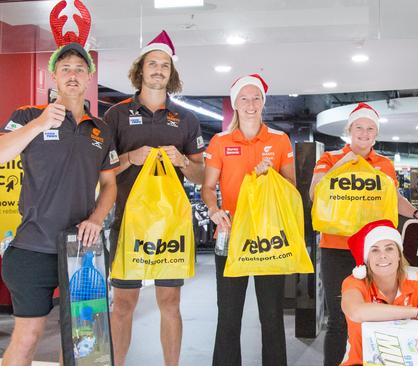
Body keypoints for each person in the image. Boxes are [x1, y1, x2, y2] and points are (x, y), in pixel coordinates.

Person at [0, 21, 118, 365]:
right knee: (28, 337)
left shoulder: (101, 130)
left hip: (83, 252)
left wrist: (97, 218)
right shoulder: (27, 115)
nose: (72, 74)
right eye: (65, 68)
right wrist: (39, 124)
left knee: (85, 343)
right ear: (53, 76)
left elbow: (109, 184)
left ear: (88, 78)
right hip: (32, 248)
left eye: (80, 68)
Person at [104, 31, 205, 366]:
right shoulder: (116, 116)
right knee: (123, 305)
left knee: (170, 303)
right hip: (128, 223)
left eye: (165, 65)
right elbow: (100, 173)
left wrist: (183, 162)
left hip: (170, 226)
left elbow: (202, 176)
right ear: (141, 70)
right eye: (153, 64)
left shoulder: (186, 120)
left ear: (171, 74)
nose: (159, 70)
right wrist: (130, 158)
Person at [308, 103, 418, 366]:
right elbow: (314, 192)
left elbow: (393, 197)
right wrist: (344, 163)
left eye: (370, 130)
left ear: (375, 134)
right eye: (359, 128)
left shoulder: (384, 164)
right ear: (349, 130)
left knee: (373, 315)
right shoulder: (329, 159)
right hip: (337, 248)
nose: (364, 134)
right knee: (338, 320)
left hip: (373, 252)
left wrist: (414, 212)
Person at [202, 74, 295, 366]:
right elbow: (207, 187)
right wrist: (213, 210)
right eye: (244, 98)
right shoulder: (220, 141)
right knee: (228, 315)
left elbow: (292, 190)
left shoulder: (280, 140)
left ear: (263, 103)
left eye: (256, 98)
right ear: (235, 104)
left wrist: (272, 177)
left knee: (271, 316)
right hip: (230, 236)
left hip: (268, 238)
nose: (251, 104)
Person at [340, 220, 418, 366]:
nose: (383, 256)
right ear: (367, 259)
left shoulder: (417, 281)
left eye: (389, 248)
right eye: (374, 250)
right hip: (361, 363)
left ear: (399, 255)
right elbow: (356, 312)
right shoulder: (354, 282)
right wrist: (414, 312)